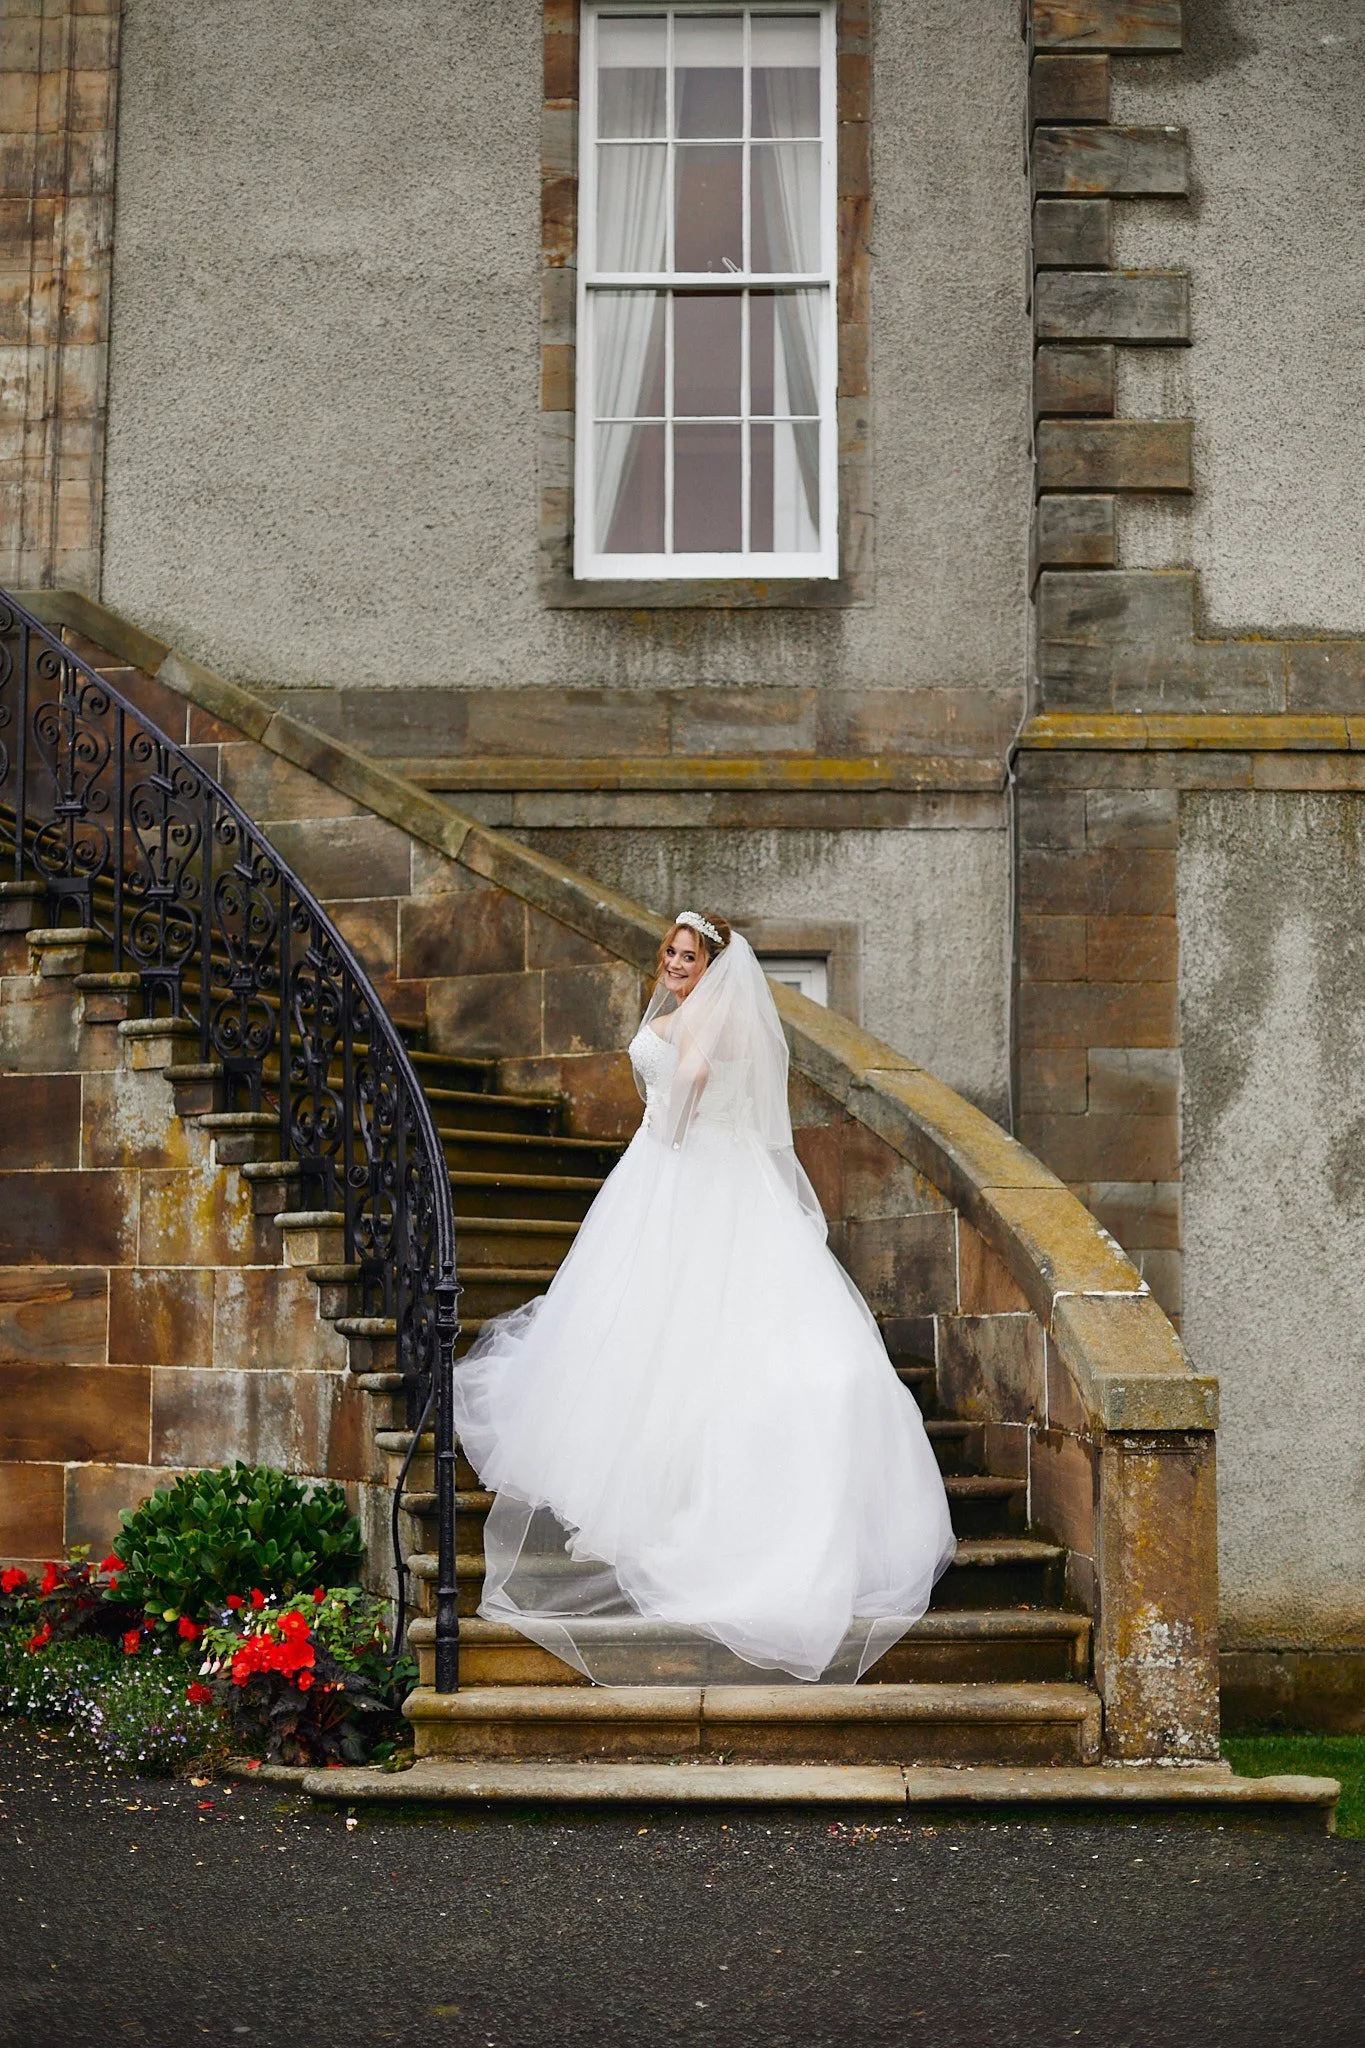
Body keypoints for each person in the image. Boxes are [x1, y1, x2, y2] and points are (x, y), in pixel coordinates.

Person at [451, 911, 956, 1684]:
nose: (676, 964)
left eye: (689, 956)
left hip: (683, 1167)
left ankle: (668, 1508)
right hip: (716, 1172)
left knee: (671, 1326)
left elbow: (685, 1079)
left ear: (712, 967)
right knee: (667, 1329)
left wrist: (666, 1138)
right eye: (671, 952)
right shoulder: (707, 1016)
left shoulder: (698, 1021)